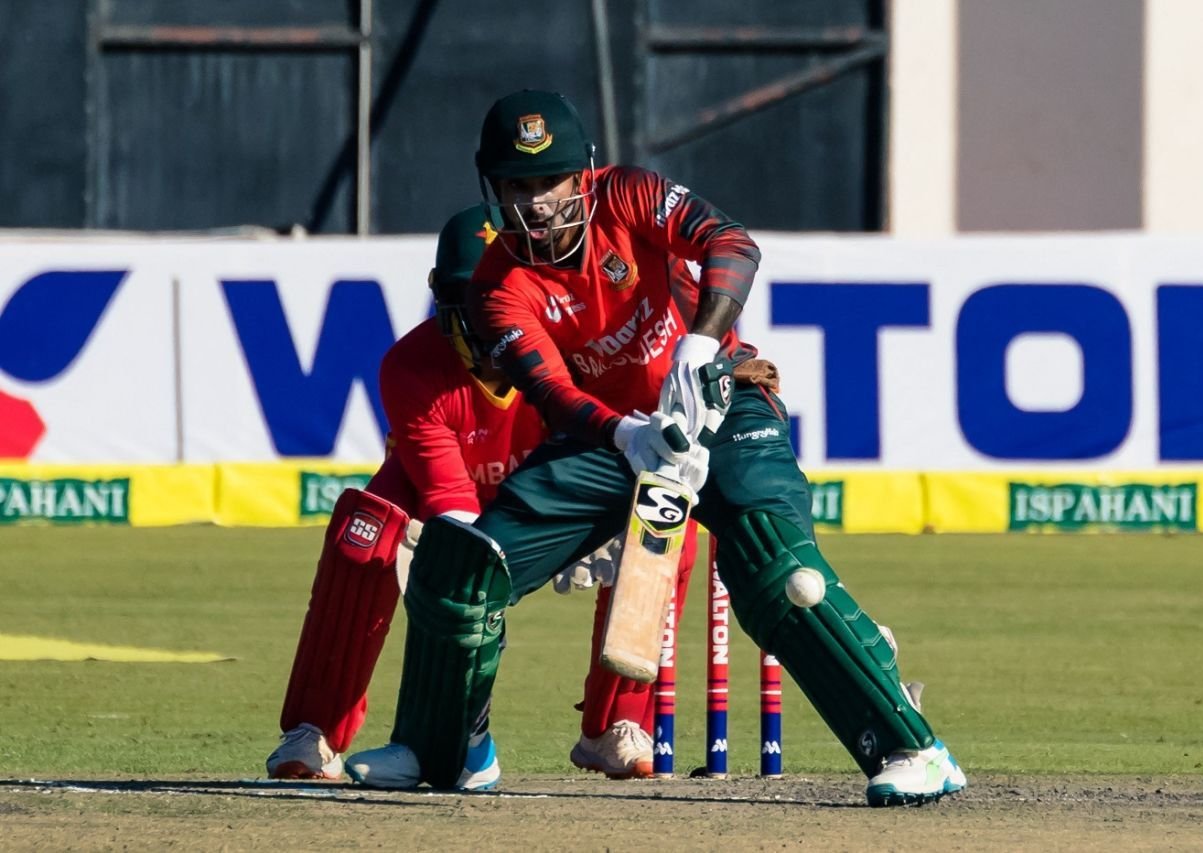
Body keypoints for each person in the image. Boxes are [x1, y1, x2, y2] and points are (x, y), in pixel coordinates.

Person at [348, 90, 965, 807]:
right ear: (494, 187)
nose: (537, 202)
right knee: (464, 568)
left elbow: (732, 243)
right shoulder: (496, 287)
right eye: (518, 185)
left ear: (583, 174)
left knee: (773, 569)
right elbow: (550, 393)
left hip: (722, 402)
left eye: (550, 181)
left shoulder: (630, 195)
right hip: (612, 436)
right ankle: (443, 748)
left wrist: (699, 344)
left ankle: (913, 748)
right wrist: (627, 435)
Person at [265, 204, 697, 788]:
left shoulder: (582, 348)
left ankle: (616, 725)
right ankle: (316, 732)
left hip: (554, 499)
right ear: (440, 297)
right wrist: (471, 571)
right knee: (362, 535)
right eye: (470, 303)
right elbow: (452, 504)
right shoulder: (410, 366)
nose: (488, 326)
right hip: (446, 503)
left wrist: (600, 528)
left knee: (665, 526)